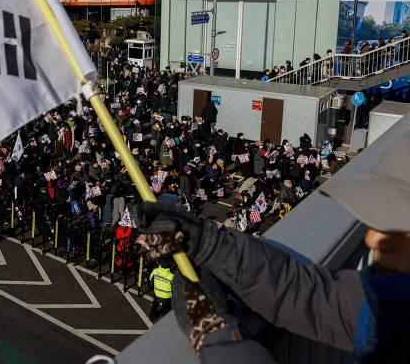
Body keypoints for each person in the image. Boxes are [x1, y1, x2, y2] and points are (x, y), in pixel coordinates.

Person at [135, 114, 410, 363]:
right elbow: (311, 296)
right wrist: (210, 243)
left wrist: (217, 339)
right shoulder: (392, 303)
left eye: (397, 226)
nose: (373, 239)